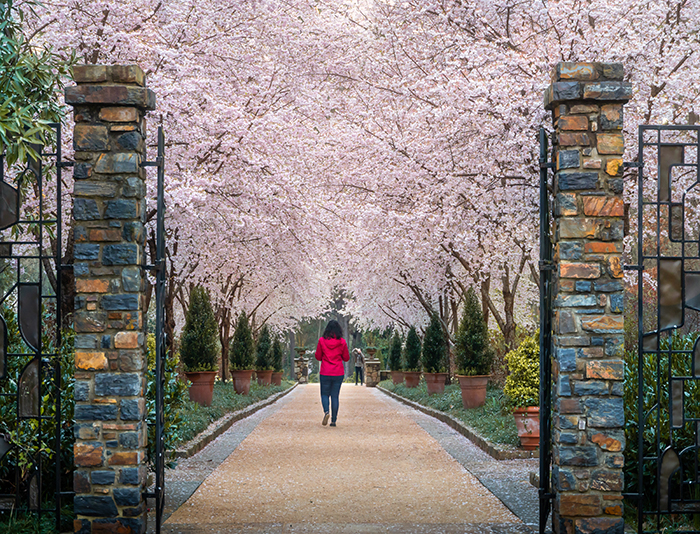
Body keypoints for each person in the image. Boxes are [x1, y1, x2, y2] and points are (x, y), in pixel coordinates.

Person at [314, 320, 350, 427]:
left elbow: (318, 356)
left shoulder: (321, 341)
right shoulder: (342, 342)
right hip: (338, 372)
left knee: (324, 394)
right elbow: (346, 358)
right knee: (335, 396)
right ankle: (333, 420)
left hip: (325, 371)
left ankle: (326, 412)